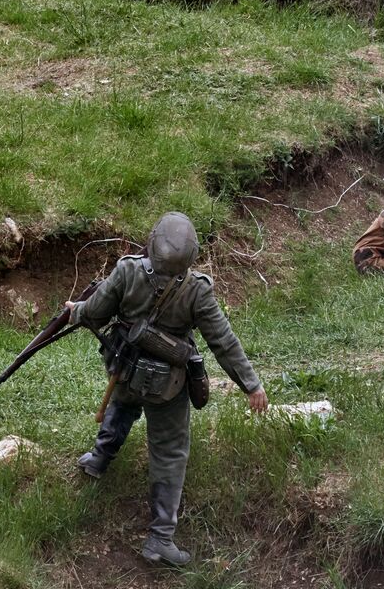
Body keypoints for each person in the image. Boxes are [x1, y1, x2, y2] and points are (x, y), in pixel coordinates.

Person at [68, 212, 267, 567]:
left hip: (124, 370)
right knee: (170, 452)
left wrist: (75, 310)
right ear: (191, 255)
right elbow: (223, 341)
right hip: (167, 386)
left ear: (152, 241)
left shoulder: (127, 271)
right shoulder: (197, 291)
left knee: (124, 403)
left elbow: (94, 313)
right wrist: (251, 384)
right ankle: (160, 538)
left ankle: (99, 459)